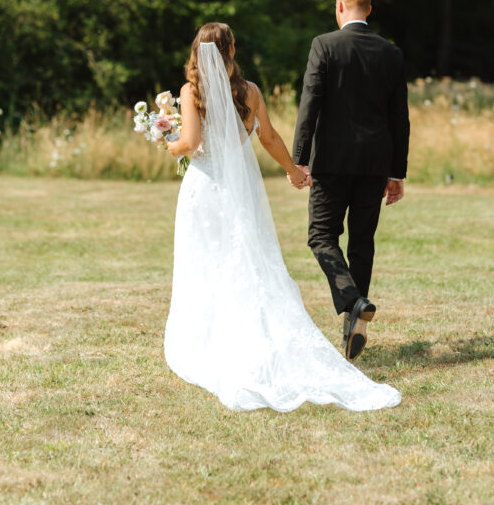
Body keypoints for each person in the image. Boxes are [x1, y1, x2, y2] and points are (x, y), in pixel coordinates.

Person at [163, 21, 400, 412]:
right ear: (231, 52)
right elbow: (269, 137)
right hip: (241, 191)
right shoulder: (251, 92)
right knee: (246, 258)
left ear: (196, 53)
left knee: (206, 261)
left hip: (204, 190)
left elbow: (191, 143)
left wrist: (168, 143)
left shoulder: (193, 92)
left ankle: (211, 341)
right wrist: (293, 169)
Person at [293, 0, 409, 361]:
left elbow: (310, 104)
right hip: (375, 164)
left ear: (339, 7)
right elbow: (400, 119)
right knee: (362, 242)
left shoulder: (324, 46)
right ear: (369, 9)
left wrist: (299, 158)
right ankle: (353, 325)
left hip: (332, 163)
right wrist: (397, 172)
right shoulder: (391, 53)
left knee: (321, 236)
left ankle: (354, 301)